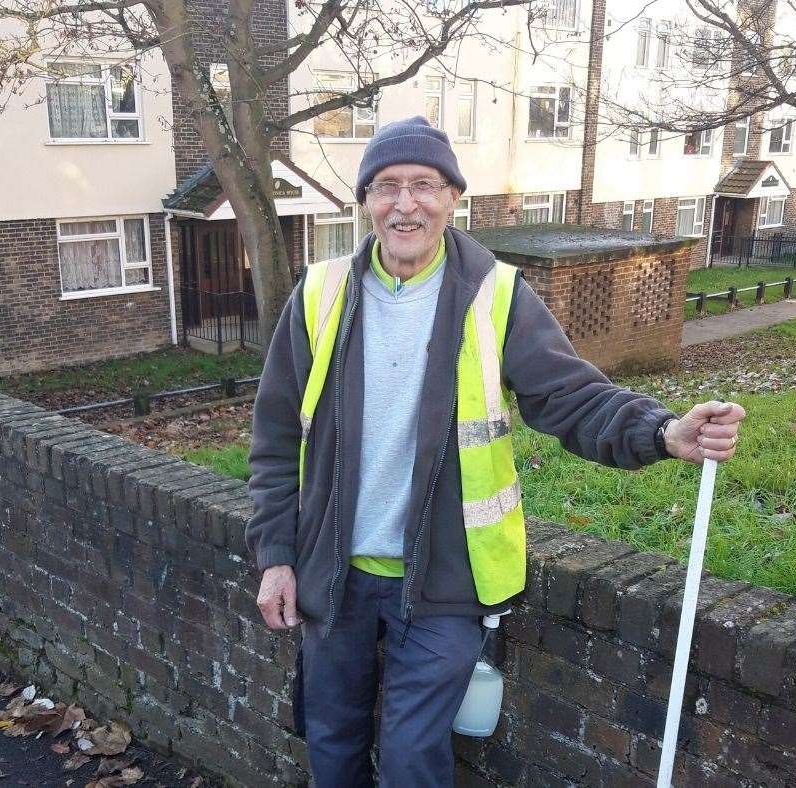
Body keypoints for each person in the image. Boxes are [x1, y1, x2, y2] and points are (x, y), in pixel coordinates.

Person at [245, 115, 745, 787]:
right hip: (332, 576)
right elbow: (275, 441)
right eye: (386, 186)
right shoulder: (319, 295)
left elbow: (571, 396)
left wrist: (661, 431)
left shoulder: (497, 294)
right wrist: (276, 557)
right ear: (364, 201)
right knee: (331, 745)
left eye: (424, 185)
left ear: (454, 197)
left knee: (409, 758)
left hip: (448, 579)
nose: (404, 203)